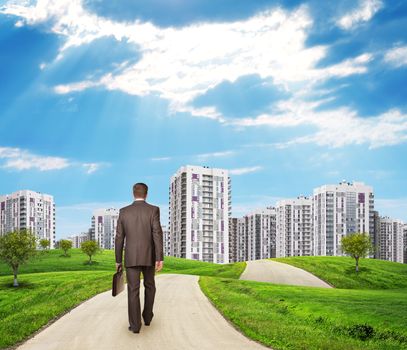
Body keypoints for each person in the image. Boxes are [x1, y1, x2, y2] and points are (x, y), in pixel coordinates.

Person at [115, 182, 164, 333]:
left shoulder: (124, 212)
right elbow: (157, 234)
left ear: (133, 193)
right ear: (146, 194)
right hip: (149, 256)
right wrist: (159, 257)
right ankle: (147, 317)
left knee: (133, 290)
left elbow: (119, 238)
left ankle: (135, 326)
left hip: (131, 257)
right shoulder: (153, 210)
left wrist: (118, 260)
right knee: (150, 286)